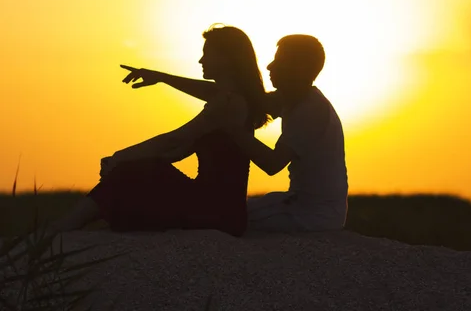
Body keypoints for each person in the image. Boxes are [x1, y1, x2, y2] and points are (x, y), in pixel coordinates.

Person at [47, 25, 271, 237]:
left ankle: (66, 225)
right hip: (219, 211)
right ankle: (74, 223)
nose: (201, 60)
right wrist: (161, 77)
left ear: (228, 59)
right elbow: (177, 148)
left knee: (135, 170)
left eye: (208, 53)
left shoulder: (227, 102)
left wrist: (120, 157)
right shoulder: (234, 97)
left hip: (216, 214)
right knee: (140, 171)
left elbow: (174, 140)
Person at [123, 35, 349, 232]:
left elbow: (272, 164)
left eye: (279, 61)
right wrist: (163, 78)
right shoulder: (293, 99)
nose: (269, 66)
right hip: (301, 204)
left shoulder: (310, 110)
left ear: (298, 67)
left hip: (313, 214)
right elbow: (220, 93)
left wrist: (232, 128)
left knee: (225, 216)